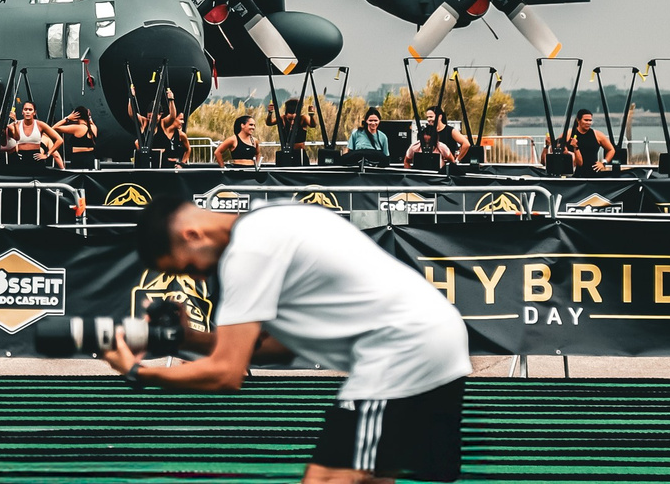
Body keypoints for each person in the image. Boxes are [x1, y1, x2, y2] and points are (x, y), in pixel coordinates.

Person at [106, 195, 472, 483]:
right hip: (436, 336)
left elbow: (225, 374)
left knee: (327, 478)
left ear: (191, 235)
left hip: (400, 350)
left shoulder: (248, 251)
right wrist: (188, 338)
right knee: (371, 476)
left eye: (186, 267)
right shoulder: (269, 221)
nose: (199, 279)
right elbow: (272, 349)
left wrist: (139, 373)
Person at [563, 110, 610, 175]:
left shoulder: (598, 135)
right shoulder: (569, 134)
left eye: (590, 120)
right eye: (586, 120)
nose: (588, 123)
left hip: (593, 172)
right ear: (578, 120)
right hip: (574, 173)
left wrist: (603, 162)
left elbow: (611, 150)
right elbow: (557, 147)